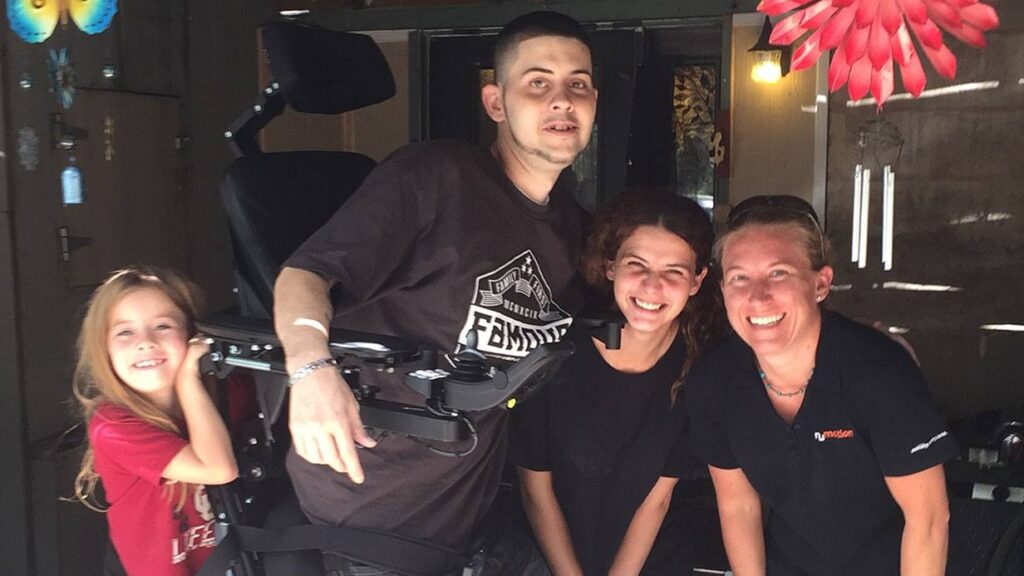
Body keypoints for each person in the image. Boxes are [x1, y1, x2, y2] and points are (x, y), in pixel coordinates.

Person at [272, 9, 598, 566]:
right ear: (496, 103)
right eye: (537, 83)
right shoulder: (435, 176)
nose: (562, 100)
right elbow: (303, 275)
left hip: (475, 516)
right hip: (372, 516)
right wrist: (309, 368)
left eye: (579, 85)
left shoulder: (569, 225)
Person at [686, 195, 958, 576]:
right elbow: (739, 506)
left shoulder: (878, 371)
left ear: (821, 283)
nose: (757, 296)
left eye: (779, 273)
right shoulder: (715, 381)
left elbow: (928, 519)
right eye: (739, 278)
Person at [512, 193, 722, 575]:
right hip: (545, 561)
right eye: (636, 265)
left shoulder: (698, 369)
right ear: (611, 267)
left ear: (697, 280)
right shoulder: (554, 351)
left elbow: (656, 501)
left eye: (673, 271)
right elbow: (535, 490)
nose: (651, 286)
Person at [72, 265, 238, 576]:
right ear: (103, 349)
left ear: (192, 334)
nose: (145, 342)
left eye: (162, 326)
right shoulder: (112, 426)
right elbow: (218, 468)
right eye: (125, 332)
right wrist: (187, 380)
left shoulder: (227, 393)